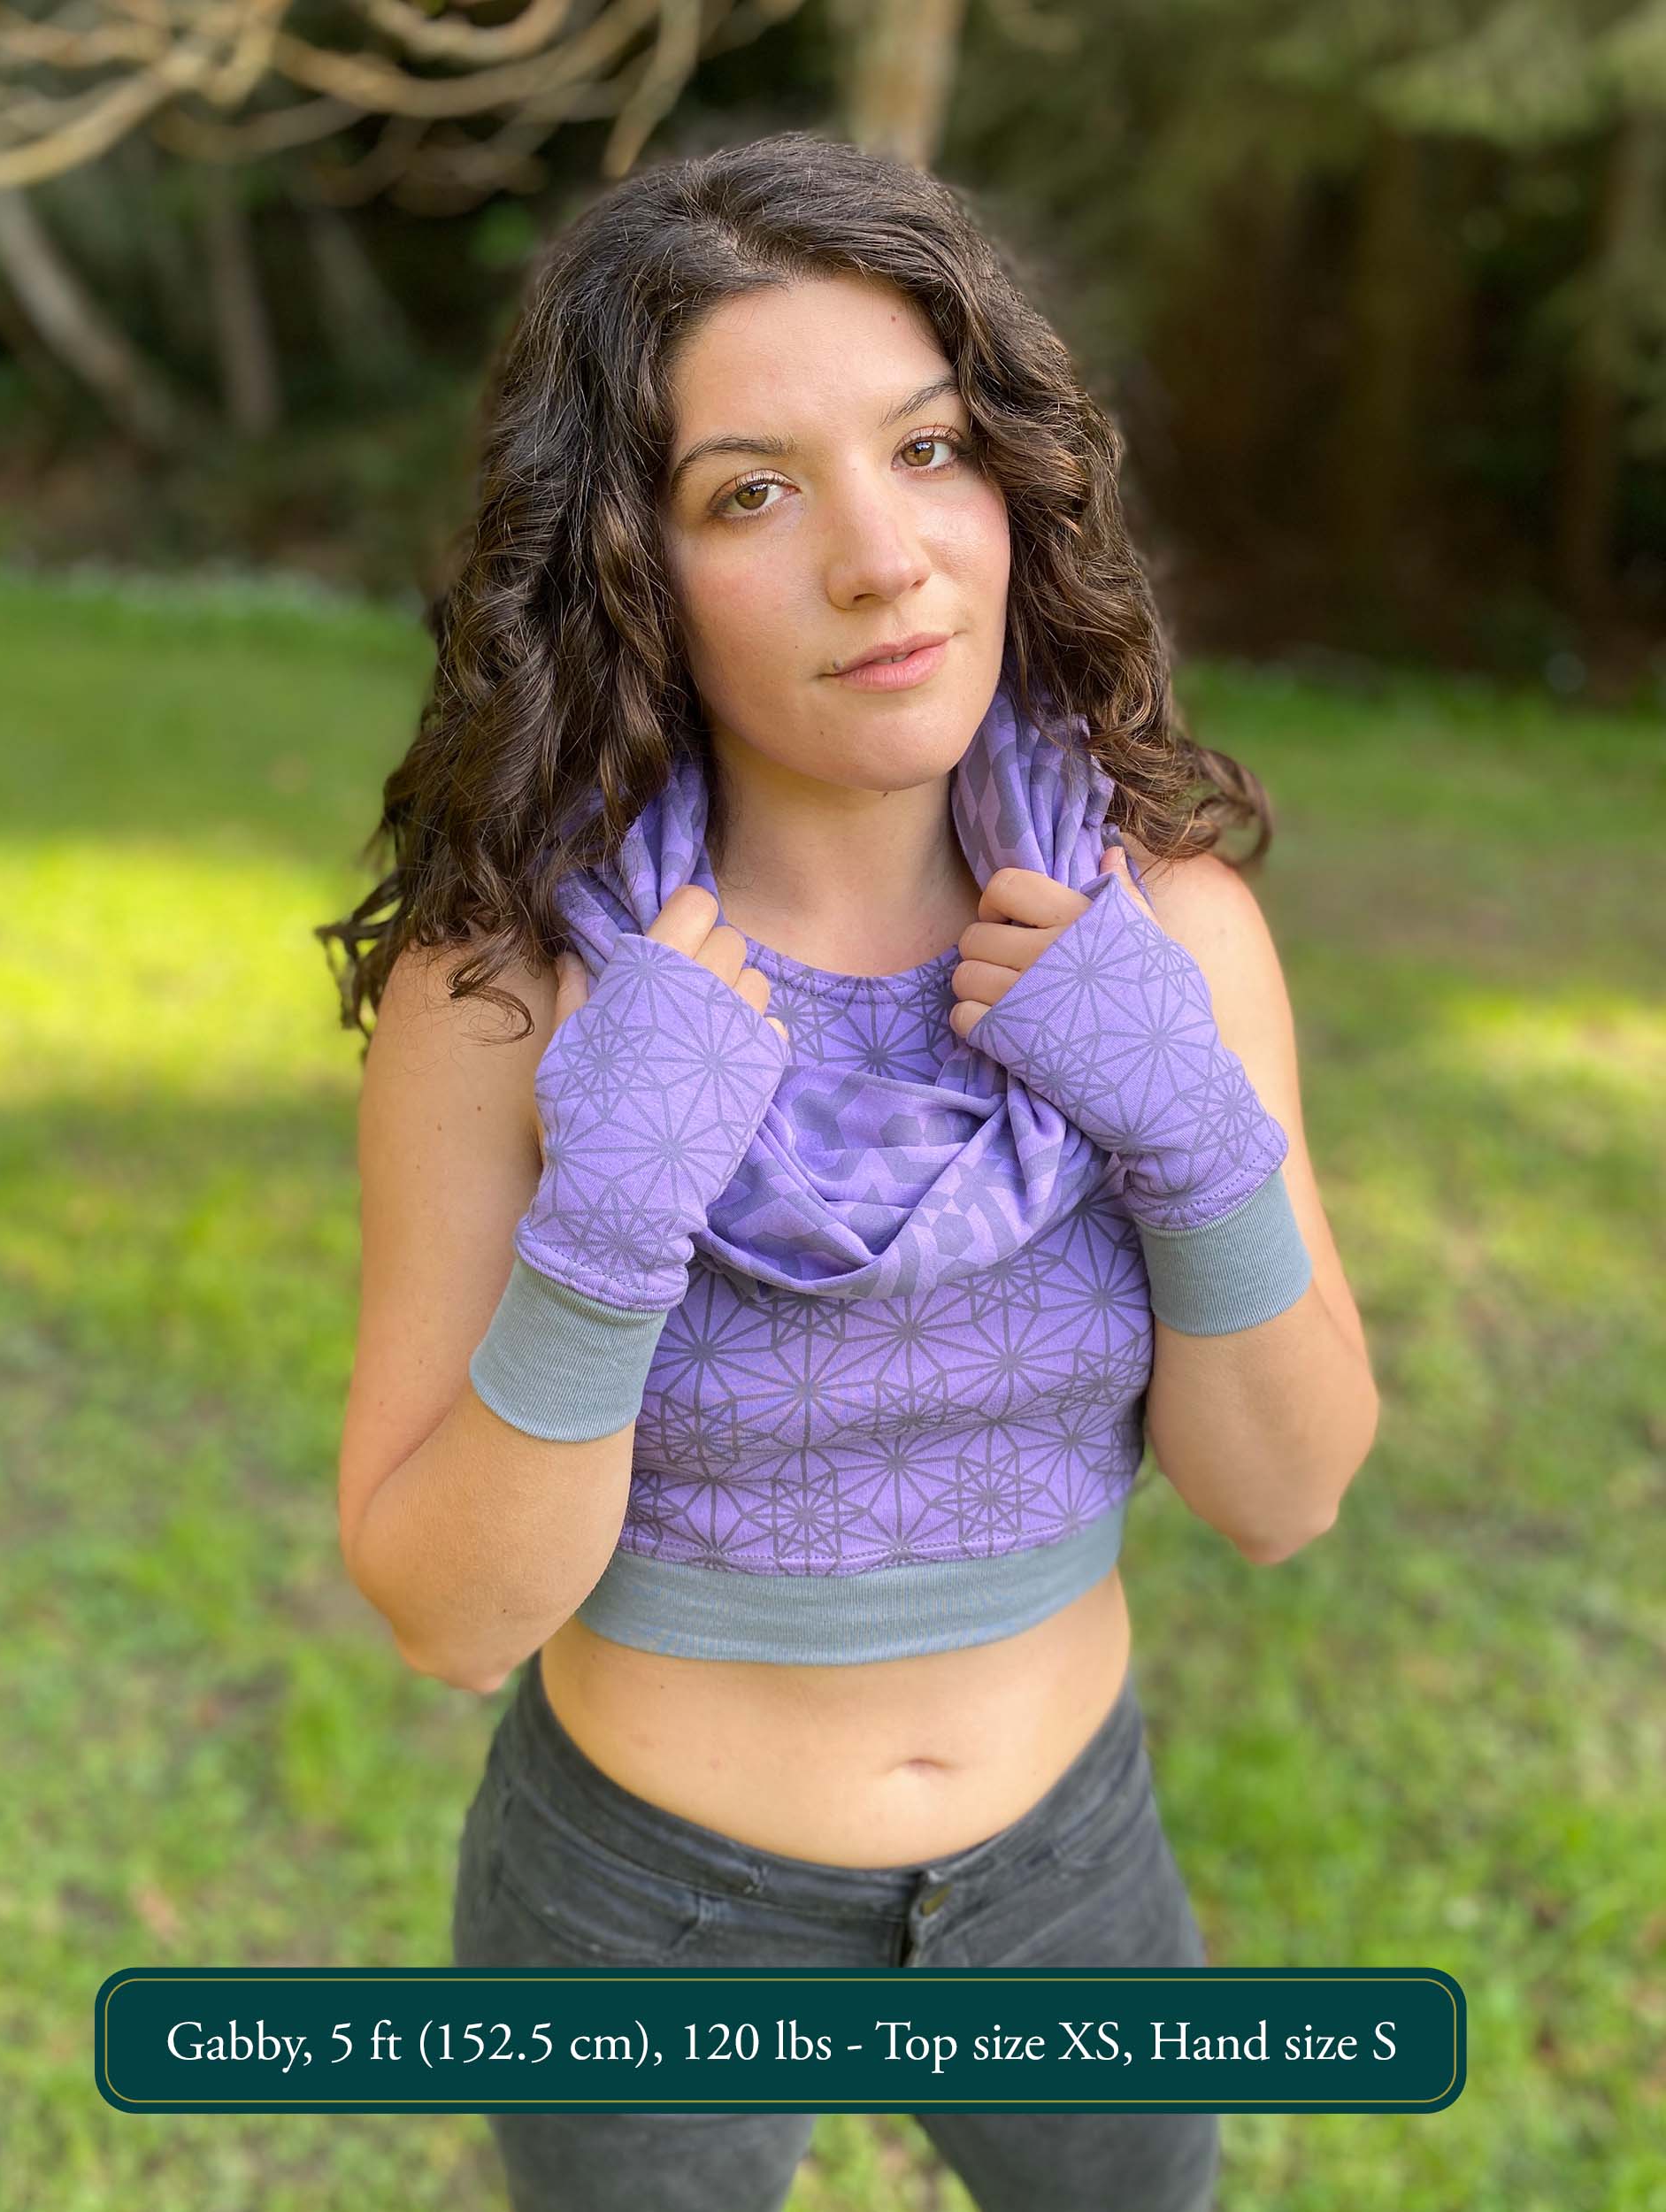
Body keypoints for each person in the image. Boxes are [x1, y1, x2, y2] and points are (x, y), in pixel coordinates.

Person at [319, 130, 1379, 2212]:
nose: (881, 560)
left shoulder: (1161, 937)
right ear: (624, 562)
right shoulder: (511, 1001)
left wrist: (1189, 1121)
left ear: (1012, 485)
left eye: (924, 447)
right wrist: (605, 1221)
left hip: (1067, 1864)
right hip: (644, 1903)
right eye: (752, 490)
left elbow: (1288, 1491)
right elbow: (448, 1617)